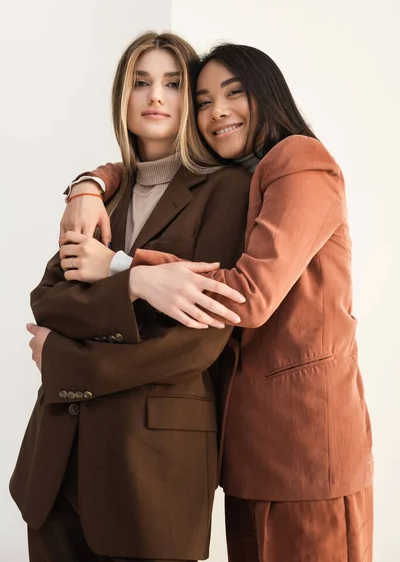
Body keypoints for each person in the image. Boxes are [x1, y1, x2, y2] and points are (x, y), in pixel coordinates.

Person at [61, 43, 374, 561]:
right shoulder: (243, 177)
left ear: (268, 95)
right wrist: (91, 183)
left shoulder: (299, 161)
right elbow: (145, 164)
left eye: (234, 93)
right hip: (245, 447)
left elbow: (249, 298)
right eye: (203, 101)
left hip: (306, 445)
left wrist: (122, 268)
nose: (217, 112)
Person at [9, 33, 252, 562]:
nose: (156, 97)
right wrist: (138, 285)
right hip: (56, 460)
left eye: (172, 83)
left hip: (152, 468)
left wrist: (71, 362)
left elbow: (199, 339)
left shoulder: (226, 190)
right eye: (141, 83)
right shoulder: (101, 192)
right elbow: (50, 300)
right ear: (123, 96)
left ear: (191, 99)